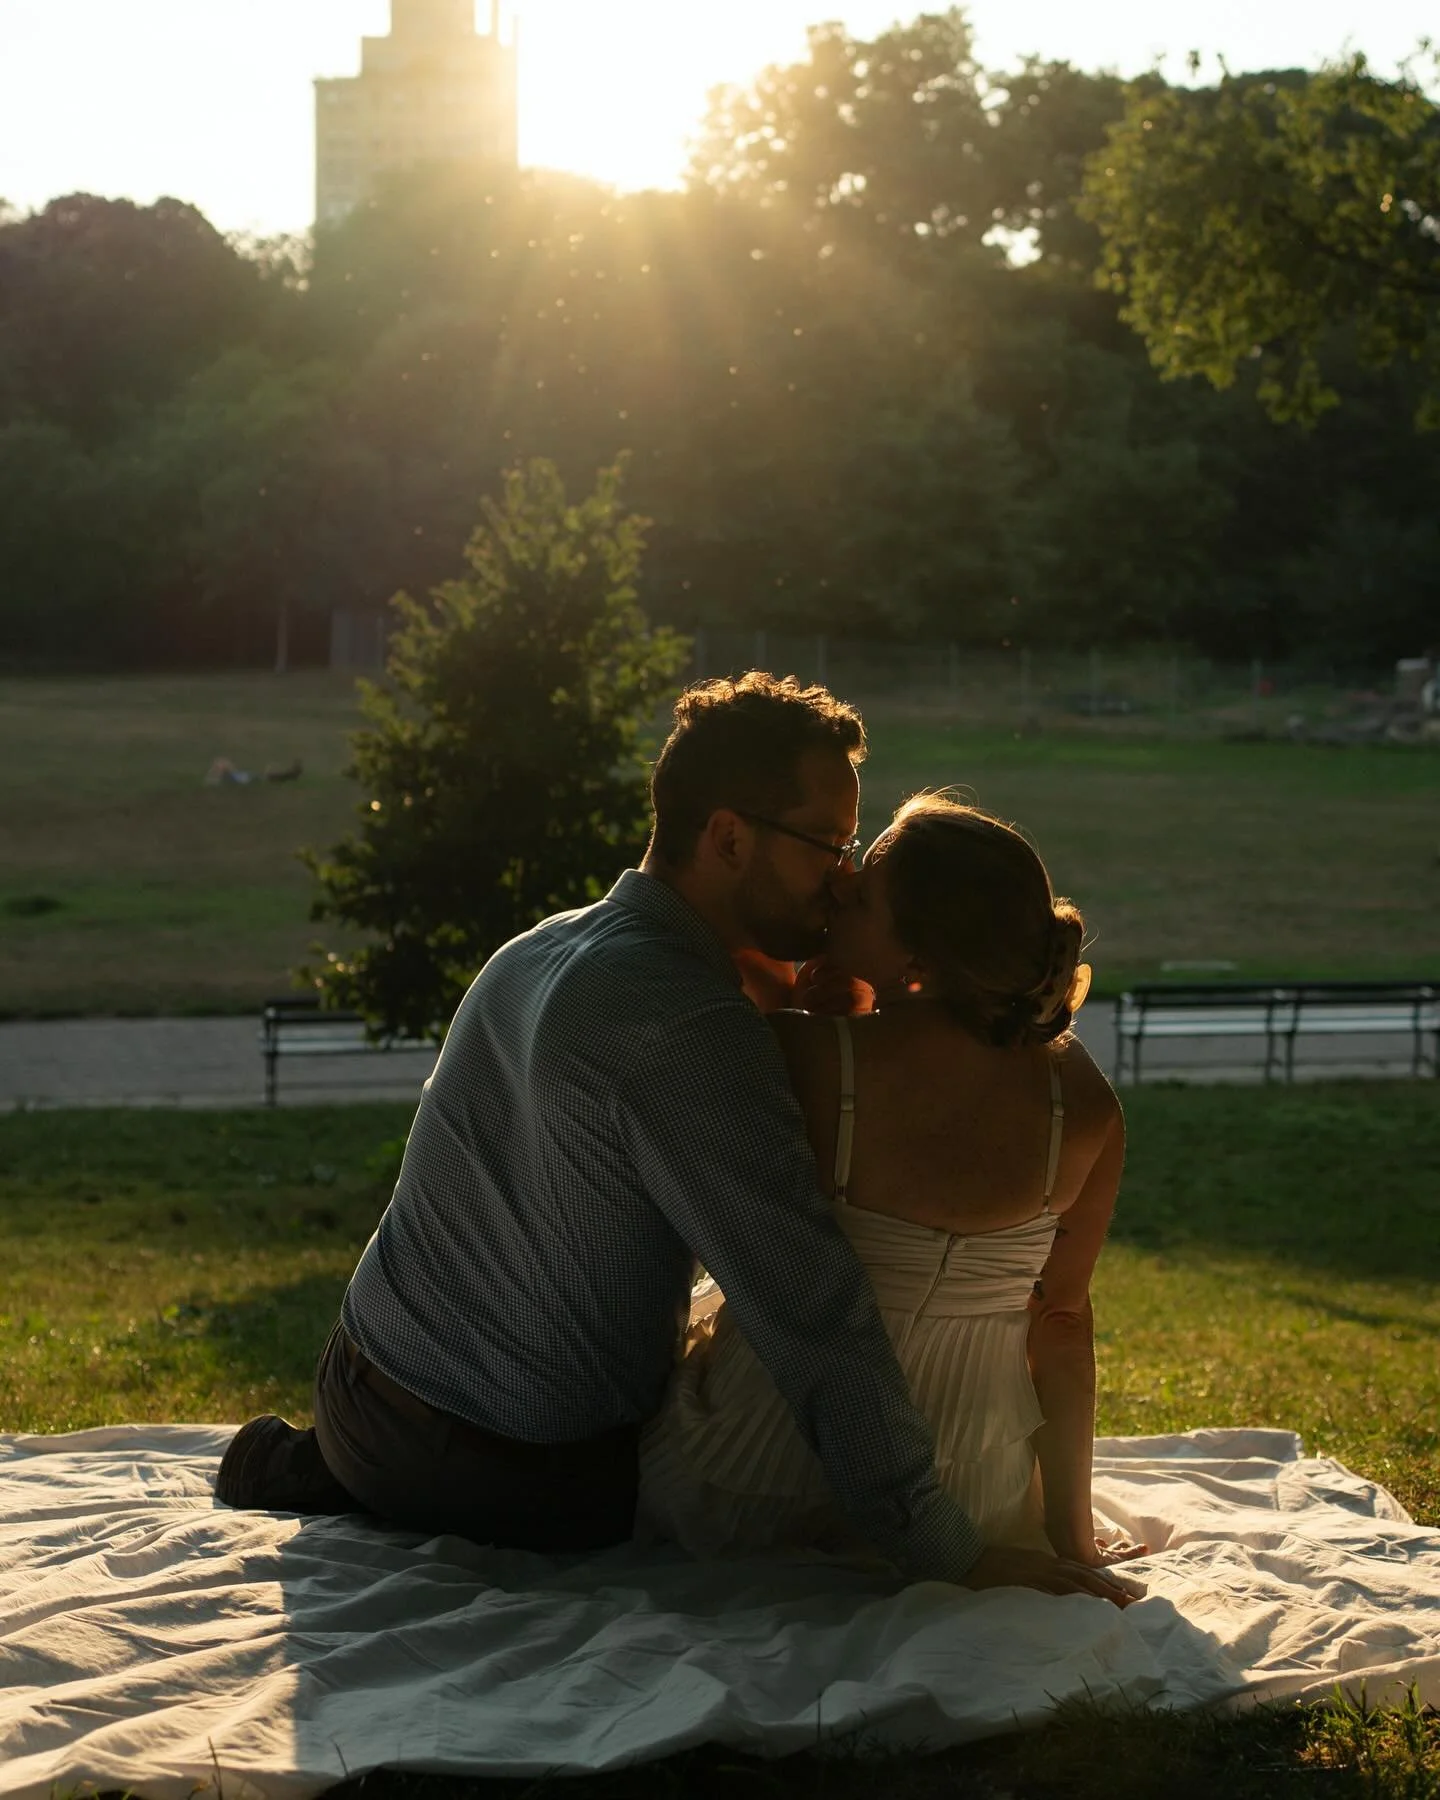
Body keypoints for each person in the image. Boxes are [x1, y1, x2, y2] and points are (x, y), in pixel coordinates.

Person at [217, 674, 1128, 1606]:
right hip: (508, 1469)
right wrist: (946, 1548)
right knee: (680, 1472)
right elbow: (808, 1309)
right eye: (830, 846)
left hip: (362, 1375)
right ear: (730, 837)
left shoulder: (549, 943)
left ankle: (325, 1464)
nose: (845, 877)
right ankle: (363, 1479)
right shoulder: (688, 1029)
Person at [639, 795, 1134, 1573]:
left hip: (746, 1476)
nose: (838, 887)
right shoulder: (1090, 1105)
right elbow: (1063, 1328)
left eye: (863, 889)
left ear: (918, 958)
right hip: (975, 1493)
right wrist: (1069, 1536)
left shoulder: (804, 1056)